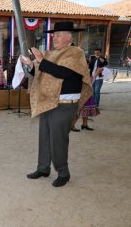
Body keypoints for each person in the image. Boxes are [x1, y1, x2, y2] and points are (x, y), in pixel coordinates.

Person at [21, 22, 92, 187]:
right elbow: (41, 73)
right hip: (48, 101)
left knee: (58, 140)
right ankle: (43, 168)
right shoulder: (51, 54)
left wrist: (40, 60)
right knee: (44, 137)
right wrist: (31, 65)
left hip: (65, 105)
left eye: (59, 34)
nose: (55, 38)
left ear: (70, 37)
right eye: (54, 35)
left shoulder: (76, 53)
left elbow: (64, 73)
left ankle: (63, 172)